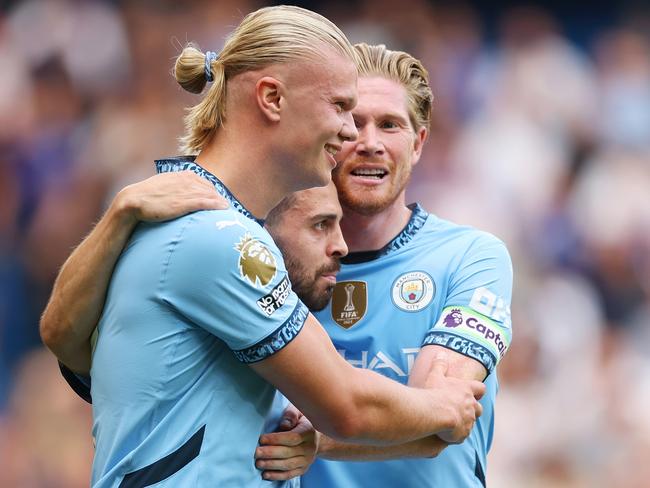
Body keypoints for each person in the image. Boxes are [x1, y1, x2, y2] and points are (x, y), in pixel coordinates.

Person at [39, 7, 485, 488]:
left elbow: (65, 339)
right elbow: (347, 406)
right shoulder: (217, 239)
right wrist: (447, 405)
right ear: (271, 99)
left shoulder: (179, 209)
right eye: (339, 107)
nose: (352, 133)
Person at [255, 43, 514, 487]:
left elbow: (440, 415)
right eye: (354, 123)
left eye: (390, 125)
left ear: (418, 144)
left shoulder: (471, 257)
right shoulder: (271, 258)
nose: (370, 143)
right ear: (326, 134)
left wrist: (321, 439)